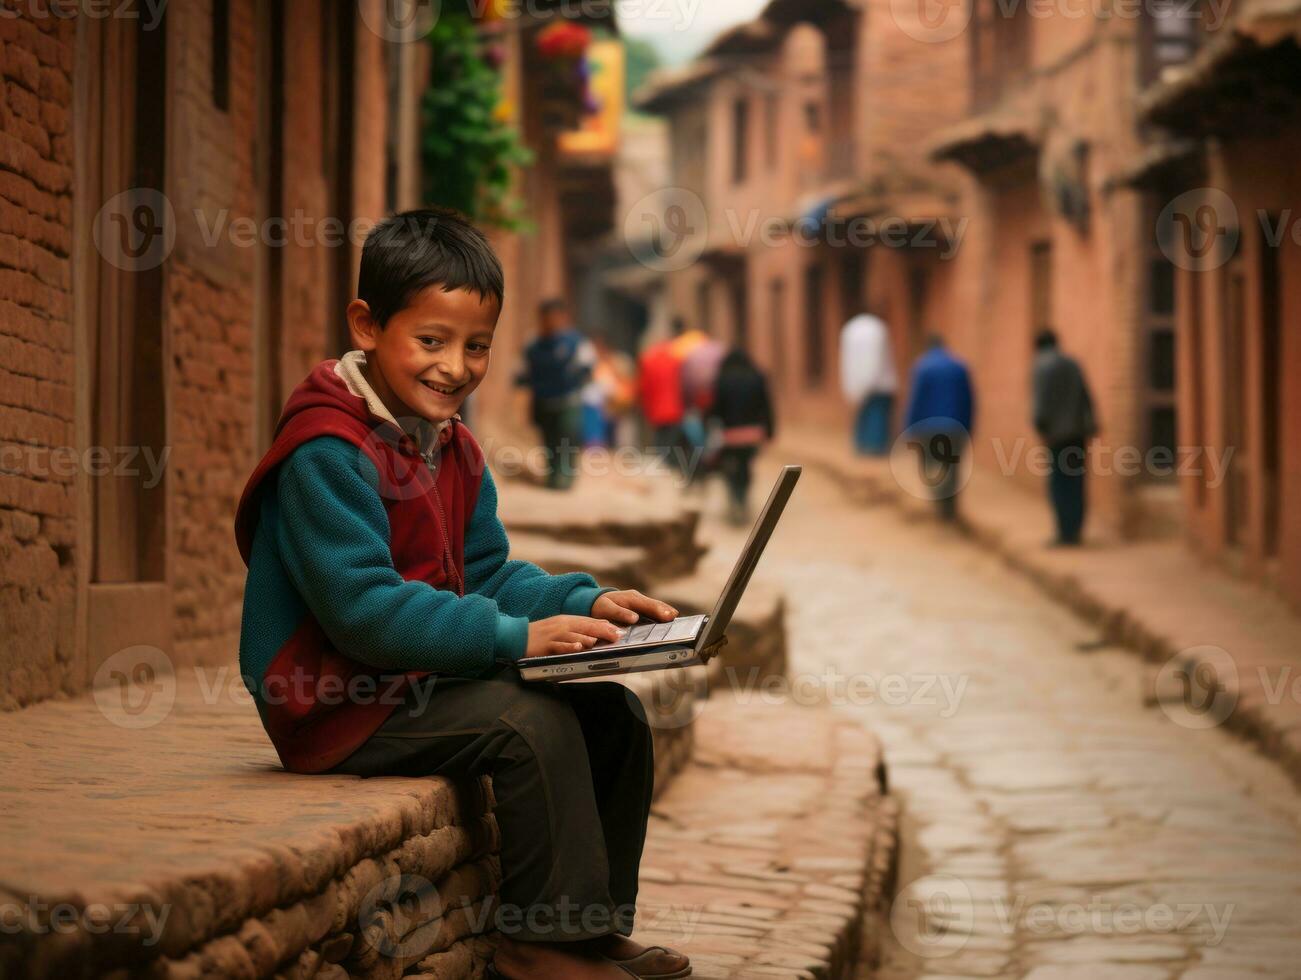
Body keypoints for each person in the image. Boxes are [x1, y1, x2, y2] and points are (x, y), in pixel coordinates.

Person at [233, 208, 691, 980]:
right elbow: (364, 611)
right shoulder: (327, 452)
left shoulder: (449, 445)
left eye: (476, 346)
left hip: (411, 680)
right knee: (528, 722)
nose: (456, 366)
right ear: (367, 325)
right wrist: (513, 641)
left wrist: (581, 603)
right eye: (431, 341)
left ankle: (585, 929)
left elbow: (485, 574)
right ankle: (534, 945)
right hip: (337, 703)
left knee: (614, 713)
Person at [514, 298, 594, 490]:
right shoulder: (532, 344)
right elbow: (521, 373)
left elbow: (587, 369)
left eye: (554, 317)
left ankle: (565, 479)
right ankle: (553, 477)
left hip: (568, 402)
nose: (550, 322)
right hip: (542, 402)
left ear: (562, 318)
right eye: (545, 318)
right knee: (549, 441)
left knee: (566, 440)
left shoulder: (576, 342)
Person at [1032, 329, 1098, 546]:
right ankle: (1076, 530)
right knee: (1077, 482)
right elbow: (1086, 396)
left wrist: (1041, 428)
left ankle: (1064, 533)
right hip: (1077, 434)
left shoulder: (1041, 366)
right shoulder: (1072, 363)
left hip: (1057, 436)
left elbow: (1040, 404)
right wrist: (1090, 425)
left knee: (1059, 484)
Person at [903, 335, 974, 522]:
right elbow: (968, 400)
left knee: (933, 467)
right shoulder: (959, 367)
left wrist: (909, 427)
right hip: (955, 426)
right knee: (951, 466)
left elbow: (916, 400)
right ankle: (949, 506)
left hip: (928, 428)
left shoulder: (922, 367)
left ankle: (941, 504)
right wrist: (969, 426)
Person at [708, 347, 775, 525]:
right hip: (752, 434)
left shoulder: (722, 379)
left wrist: (711, 425)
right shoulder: (757, 377)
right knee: (746, 467)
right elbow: (767, 406)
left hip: (730, 435)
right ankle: (743, 498)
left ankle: (735, 498)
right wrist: (770, 431)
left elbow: (715, 409)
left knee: (730, 468)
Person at [839, 311, 898, 456]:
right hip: (880, 384)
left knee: (866, 417)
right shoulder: (877, 328)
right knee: (876, 418)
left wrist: (854, 387)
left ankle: (866, 447)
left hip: (862, 384)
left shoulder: (851, 330)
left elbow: (847, 362)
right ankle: (874, 448)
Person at [637, 335, 691, 482]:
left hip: (657, 410)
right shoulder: (675, 362)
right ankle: (679, 471)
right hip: (675, 408)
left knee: (662, 443)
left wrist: (647, 408)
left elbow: (645, 388)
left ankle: (671, 471)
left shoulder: (649, 362)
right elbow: (684, 384)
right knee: (674, 442)